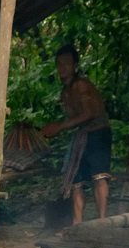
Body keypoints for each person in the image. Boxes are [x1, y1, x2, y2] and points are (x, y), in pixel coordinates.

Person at [40, 43, 111, 225]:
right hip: (82, 137)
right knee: (76, 182)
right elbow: (75, 119)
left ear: (75, 66)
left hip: (98, 134)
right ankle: (77, 223)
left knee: (99, 177)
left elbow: (89, 113)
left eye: (67, 64)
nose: (62, 67)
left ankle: (102, 222)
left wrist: (61, 126)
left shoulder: (81, 85)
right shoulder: (65, 92)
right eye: (59, 64)